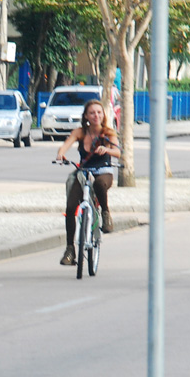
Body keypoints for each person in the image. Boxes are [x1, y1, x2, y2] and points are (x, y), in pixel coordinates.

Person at [56, 99, 121, 266]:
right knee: (70, 207)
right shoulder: (79, 132)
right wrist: (61, 154)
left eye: (99, 112)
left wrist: (107, 149)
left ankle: (105, 213)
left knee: (100, 185)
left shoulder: (108, 132)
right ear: (85, 115)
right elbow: (65, 146)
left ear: (103, 115)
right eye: (92, 112)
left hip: (103, 172)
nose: (96, 116)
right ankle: (70, 250)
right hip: (83, 173)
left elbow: (118, 151)